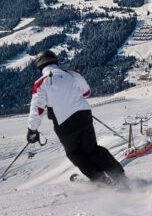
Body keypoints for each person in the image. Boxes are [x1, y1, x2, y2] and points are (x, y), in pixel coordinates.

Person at [26, 50, 126, 186]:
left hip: (64, 123)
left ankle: (101, 180)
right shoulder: (72, 74)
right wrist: (72, 98)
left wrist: (32, 130)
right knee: (92, 149)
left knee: (75, 154)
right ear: (55, 60)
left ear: (39, 65)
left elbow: (37, 109)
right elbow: (87, 92)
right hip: (84, 115)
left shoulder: (41, 83)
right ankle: (120, 178)